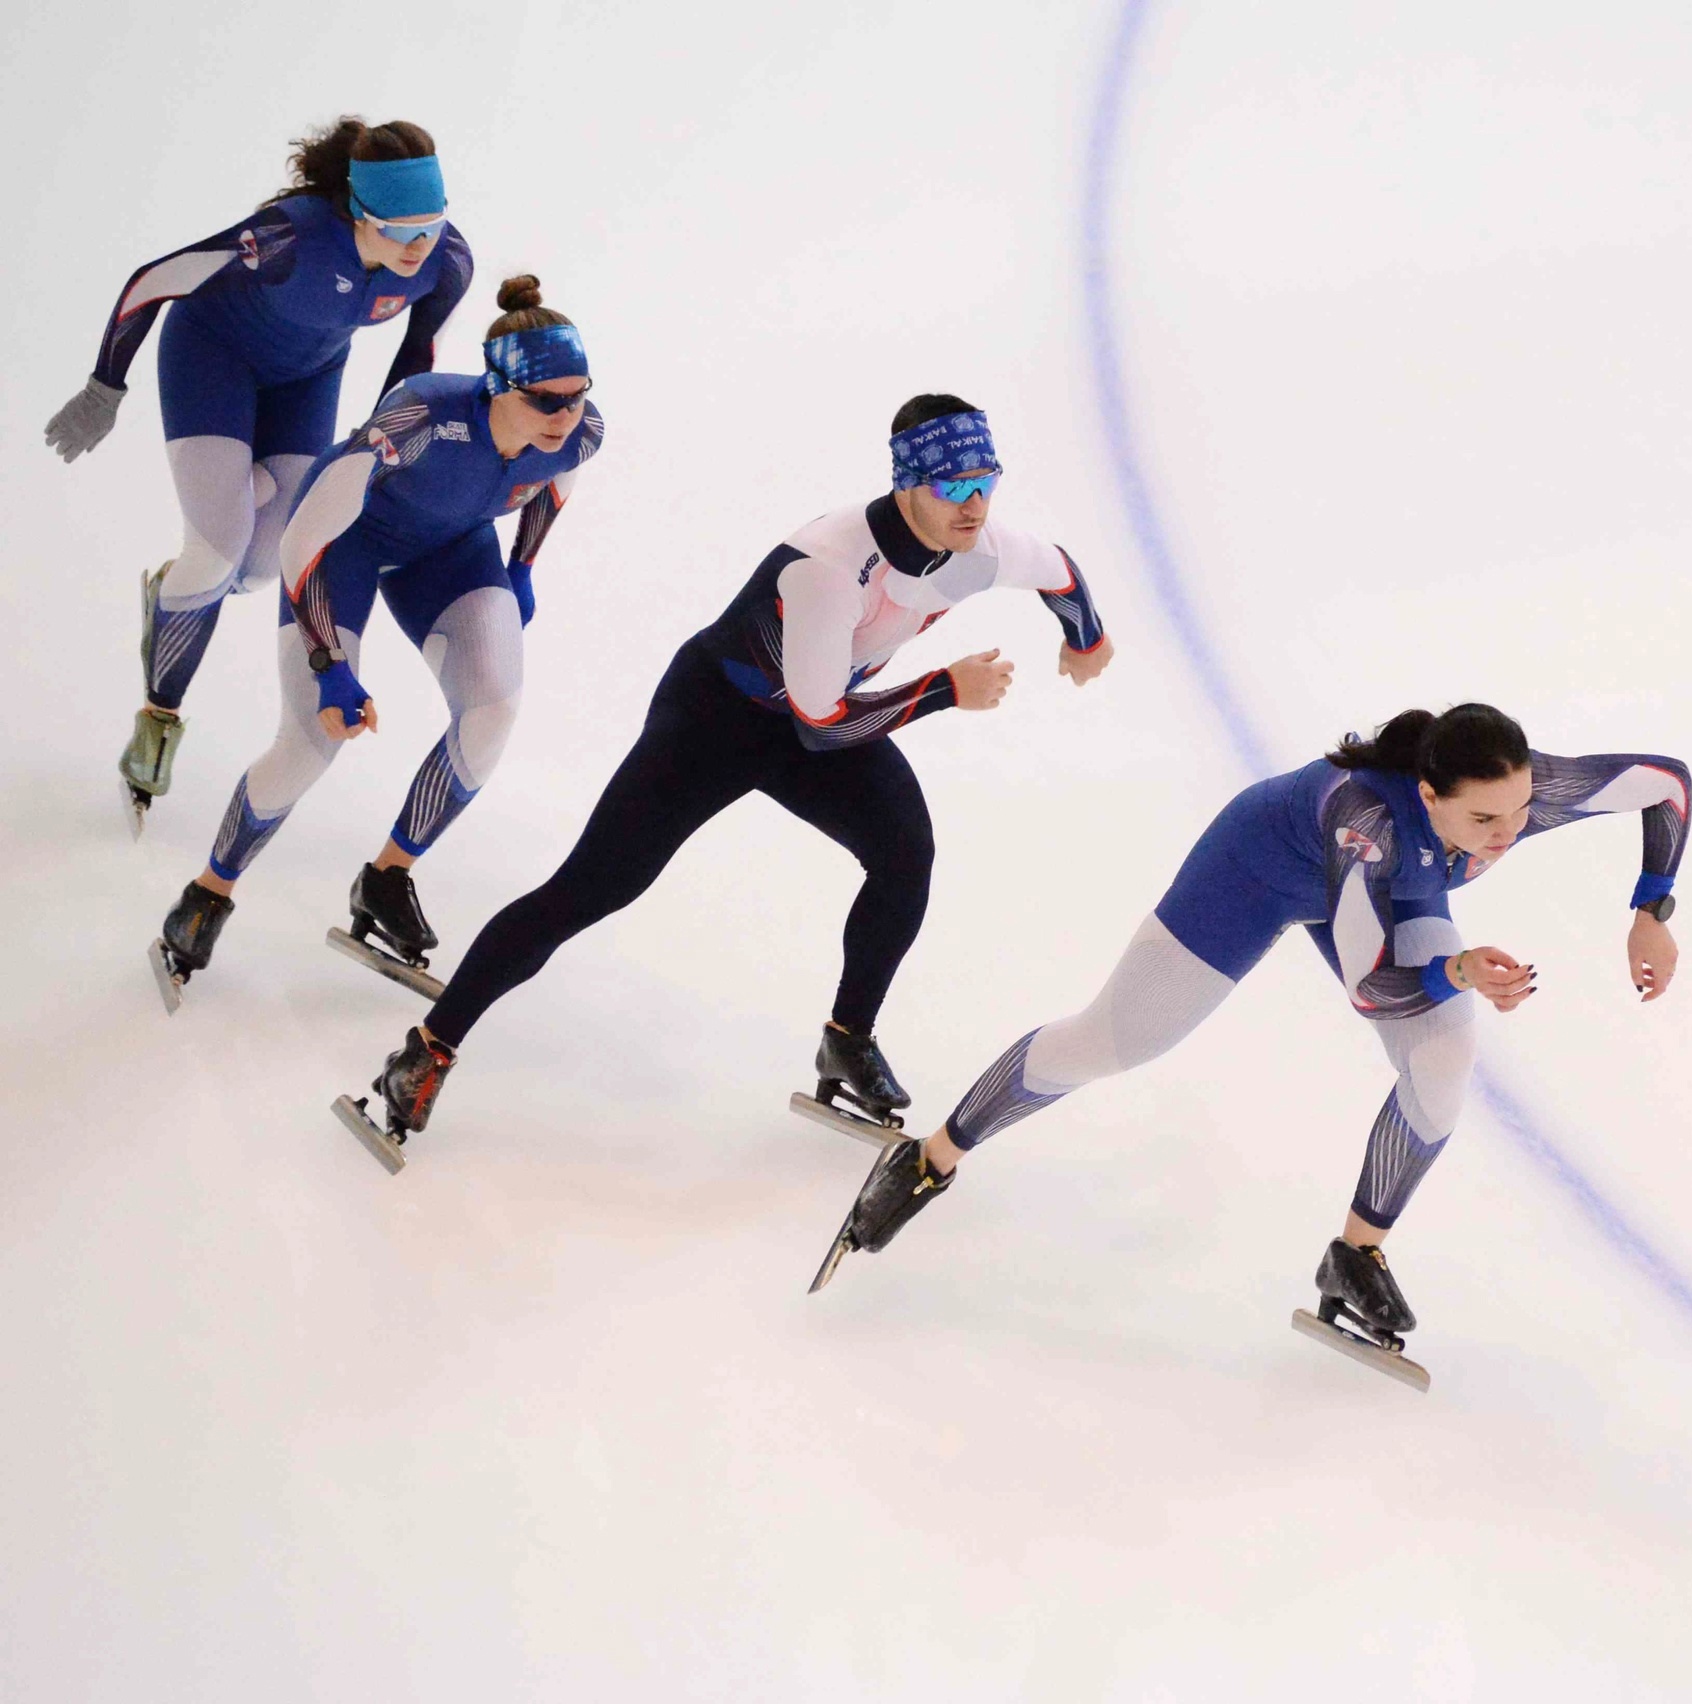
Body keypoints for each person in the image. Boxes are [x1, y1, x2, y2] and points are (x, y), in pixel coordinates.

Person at [333, 395, 1116, 1165]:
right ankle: (428, 1050)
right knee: (592, 888)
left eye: (986, 480)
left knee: (905, 853)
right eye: (953, 485)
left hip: (814, 713)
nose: (974, 503)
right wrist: (944, 689)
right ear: (908, 482)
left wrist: (1087, 638)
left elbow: (1060, 574)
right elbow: (824, 725)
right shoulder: (830, 566)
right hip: (716, 718)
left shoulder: (983, 547)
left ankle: (847, 1041)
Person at [809, 703, 1692, 1357]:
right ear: (1429, 794)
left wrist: (1652, 909)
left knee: (1446, 1054)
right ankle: (928, 1158)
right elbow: (1373, 989)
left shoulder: (1522, 796)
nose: (1505, 836)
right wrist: (1456, 971)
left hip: (1393, 894)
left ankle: (1356, 1257)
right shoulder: (1369, 823)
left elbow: (1667, 785)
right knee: (1112, 1041)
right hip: (1261, 871)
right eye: (1483, 821)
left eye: (1520, 812)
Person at [148, 276, 604, 1006]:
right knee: (311, 740)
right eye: (544, 400)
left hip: (448, 553)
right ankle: (207, 894)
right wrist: (330, 665)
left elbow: (556, 486)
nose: (564, 416)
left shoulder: (582, 431)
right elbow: (301, 544)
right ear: (496, 386)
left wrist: (522, 568)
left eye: (577, 396)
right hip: (343, 549)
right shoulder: (420, 414)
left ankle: (387, 878)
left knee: (493, 710)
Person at [42, 117, 474, 831]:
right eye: (398, 231)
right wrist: (104, 387)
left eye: (430, 226)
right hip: (213, 357)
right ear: (357, 213)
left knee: (261, 564)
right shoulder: (288, 237)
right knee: (214, 555)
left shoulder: (446, 261)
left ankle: (175, 590)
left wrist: (380, 448)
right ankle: (158, 719)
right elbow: (153, 281)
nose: (418, 246)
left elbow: (415, 358)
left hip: (308, 379)